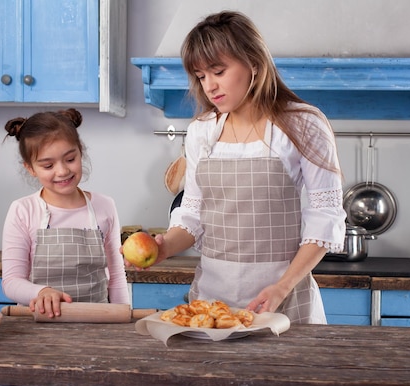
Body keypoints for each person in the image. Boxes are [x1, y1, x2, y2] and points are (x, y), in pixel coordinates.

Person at [132, 11, 346, 324]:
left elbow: (325, 215)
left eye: (218, 71)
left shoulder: (302, 124)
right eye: (201, 76)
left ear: (254, 64)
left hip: (281, 302)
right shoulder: (202, 132)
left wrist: (282, 287)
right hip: (212, 308)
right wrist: (164, 249)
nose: (209, 85)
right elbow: (192, 217)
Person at [1, 108, 129, 319]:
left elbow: (116, 276)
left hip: (97, 324)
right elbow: (12, 282)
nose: (62, 171)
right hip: (38, 326)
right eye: (48, 165)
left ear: (80, 152)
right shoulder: (23, 210)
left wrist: (124, 320)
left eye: (70, 159)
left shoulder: (105, 206)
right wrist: (40, 292)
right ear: (31, 168)